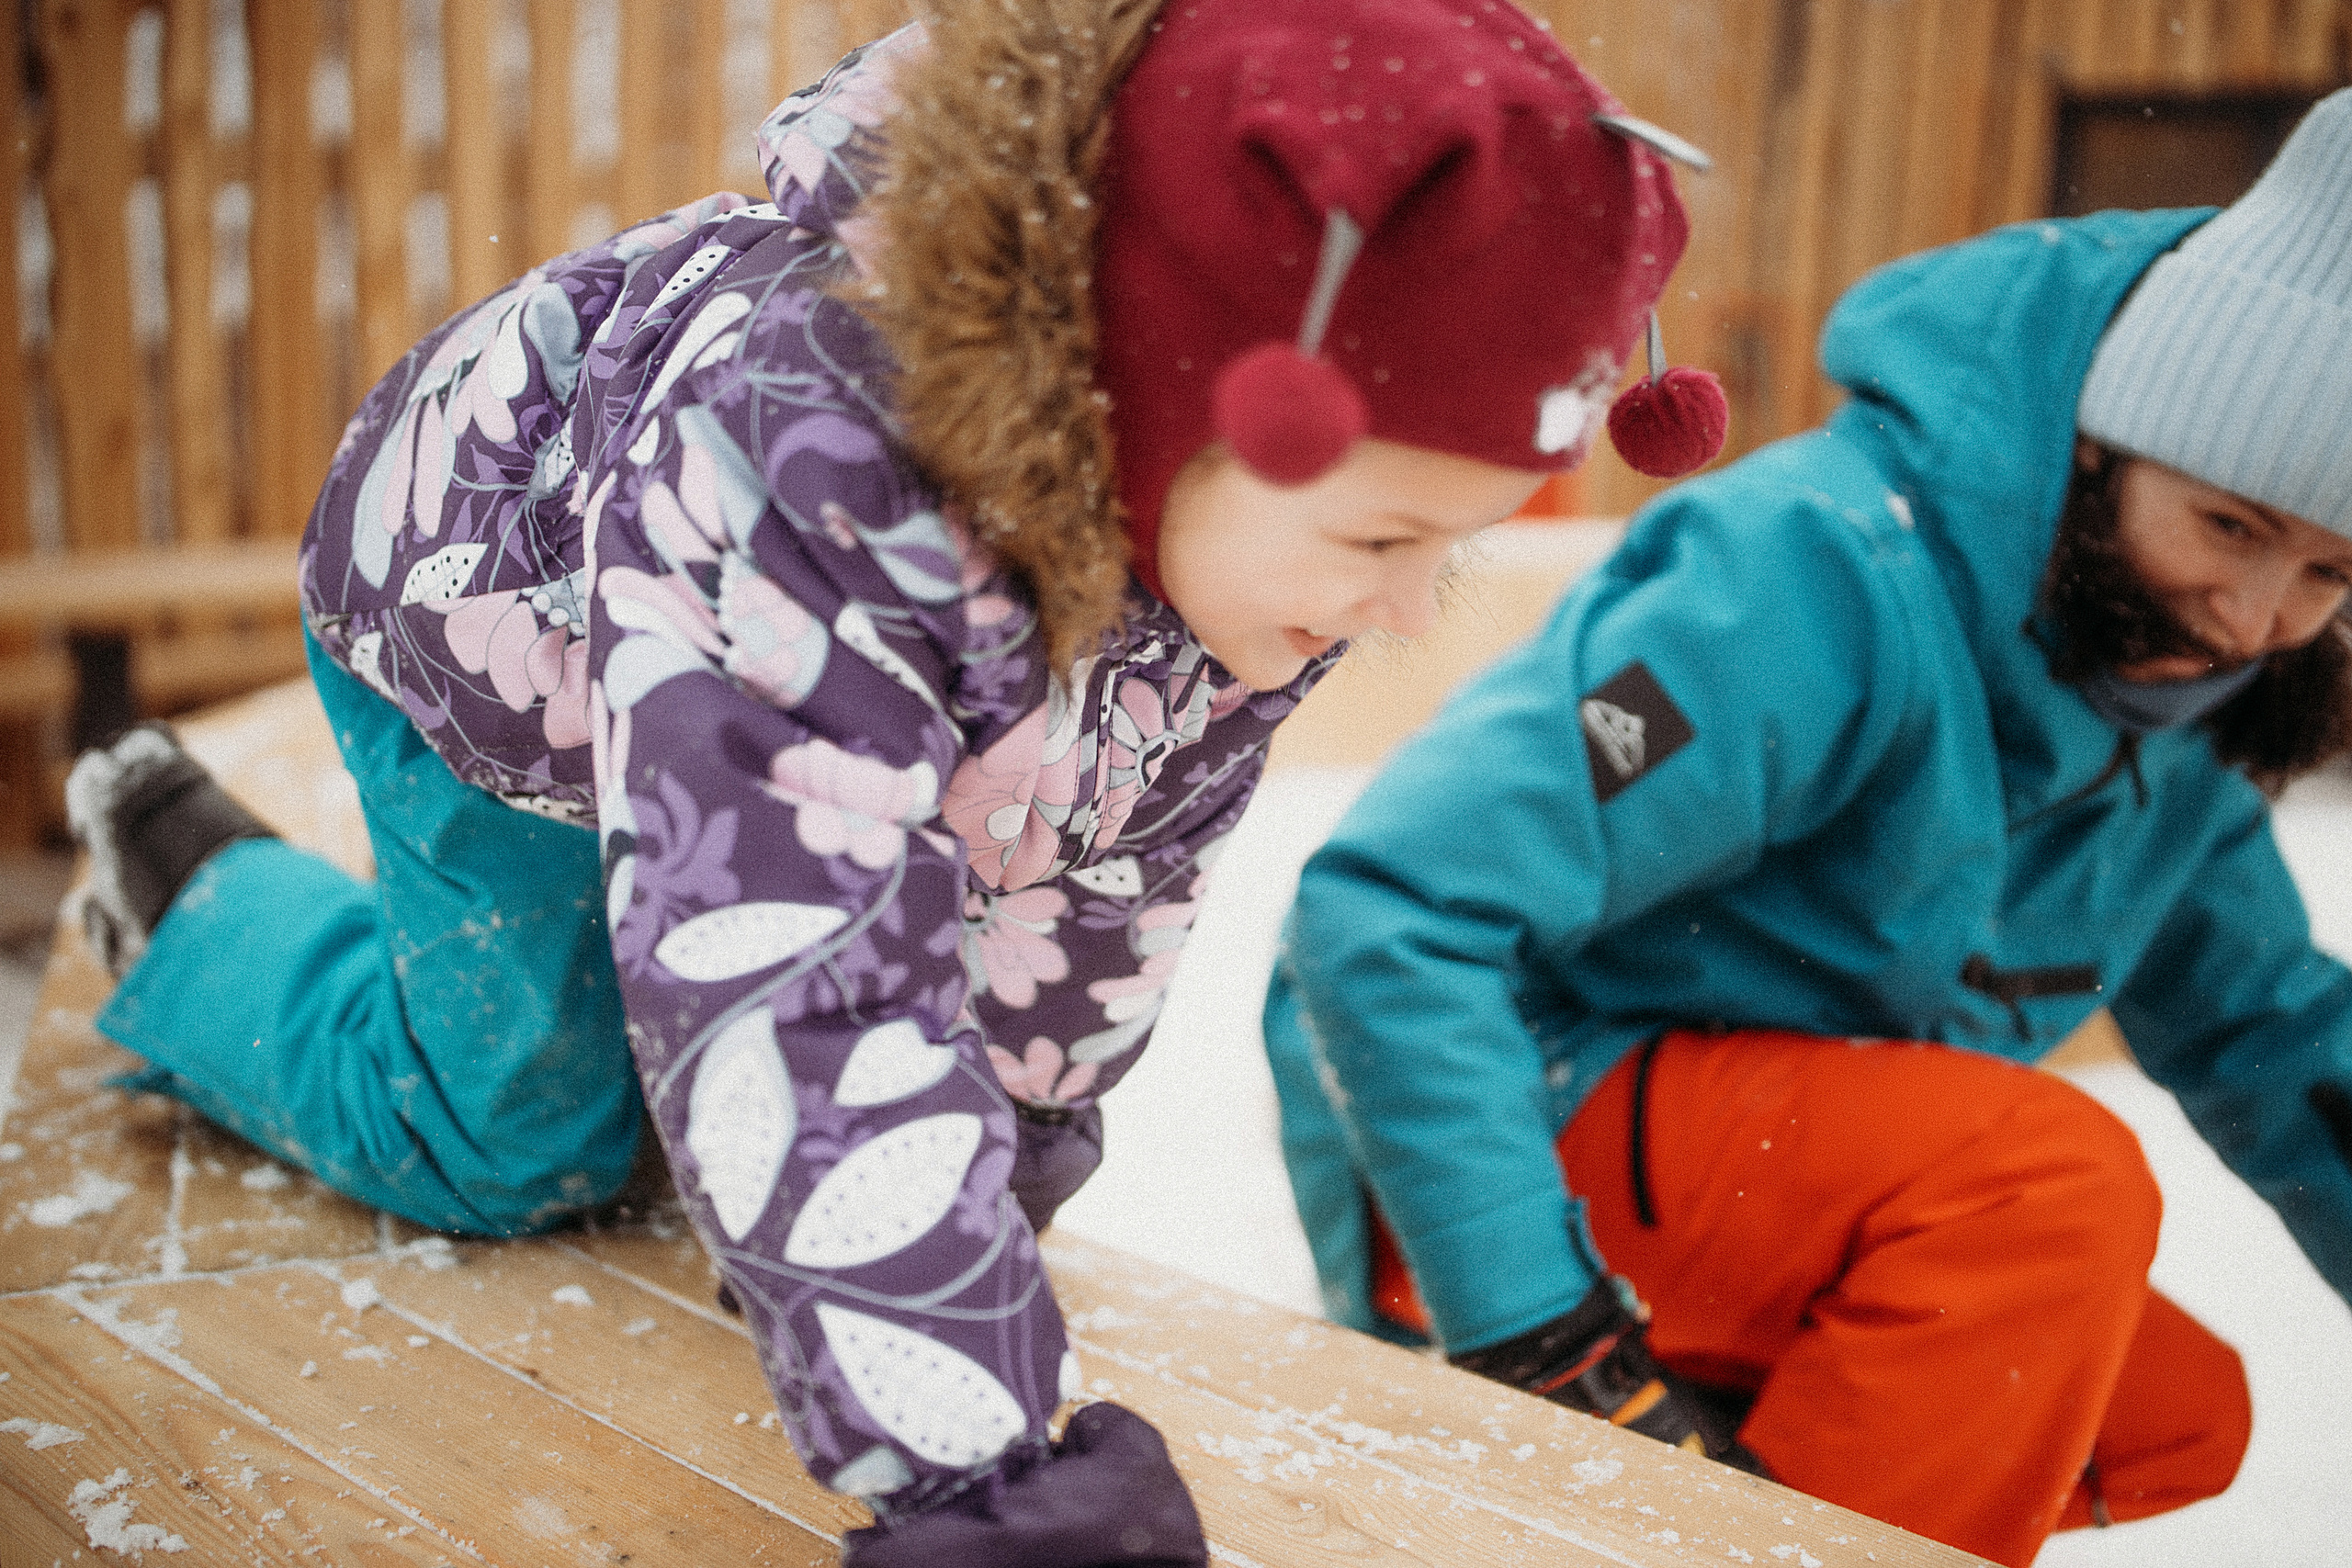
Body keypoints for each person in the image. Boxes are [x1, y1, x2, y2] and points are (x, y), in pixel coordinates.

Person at [61, 2, 1722, 1561]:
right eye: (1382, 542)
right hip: (484, 626)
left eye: (1450, 546)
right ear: (1170, 393)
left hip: (806, 707)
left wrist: (989, 1174)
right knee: (520, 1143)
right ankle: (186, 888)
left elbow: (1109, 877)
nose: (1410, 610)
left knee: (779, 1144)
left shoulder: (1259, 565)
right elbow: (792, 974)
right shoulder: (813, 460)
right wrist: (983, 1492)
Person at [1265, 87, 2352, 1567]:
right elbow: (1390, 909)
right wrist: (1541, 1335)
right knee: (2050, 1190)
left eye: (2328, 574)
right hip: (1488, 1132)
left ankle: (1729, 1506)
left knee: (2171, 1413)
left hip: (1781, 1188)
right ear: (2096, 451)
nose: (2255, 616)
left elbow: (2275, 1040)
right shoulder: (1805, 579)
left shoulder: (2180, 705)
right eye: (2228, 527)